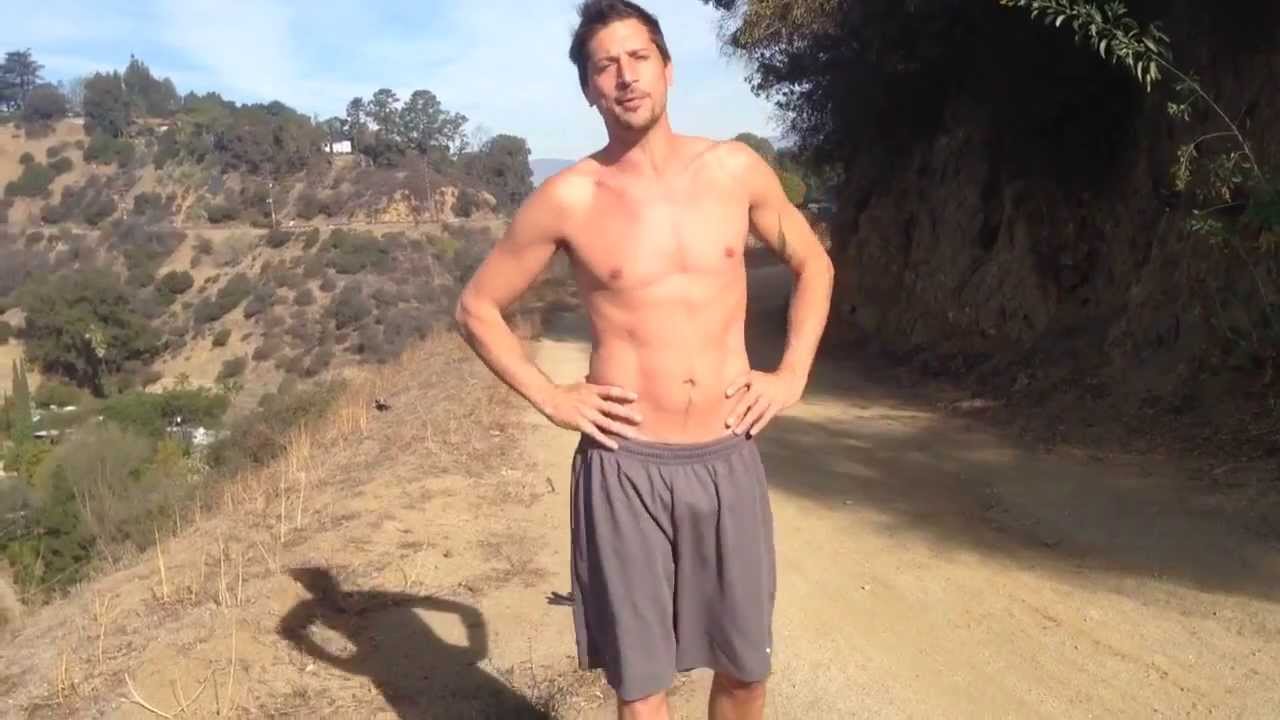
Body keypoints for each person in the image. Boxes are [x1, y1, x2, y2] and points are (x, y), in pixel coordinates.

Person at [453, 1, 834, 718]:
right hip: (624, 465)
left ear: (667, 69)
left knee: (746, 671)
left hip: (726, 453)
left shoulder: (735, 169)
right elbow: (477, 307)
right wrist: (552, 396)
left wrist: (791, 376)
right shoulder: (568, 198)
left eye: (638, 58)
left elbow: (814, 264)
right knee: (643, 690)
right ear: (589, 90)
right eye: (606, 66)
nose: (626, 77)